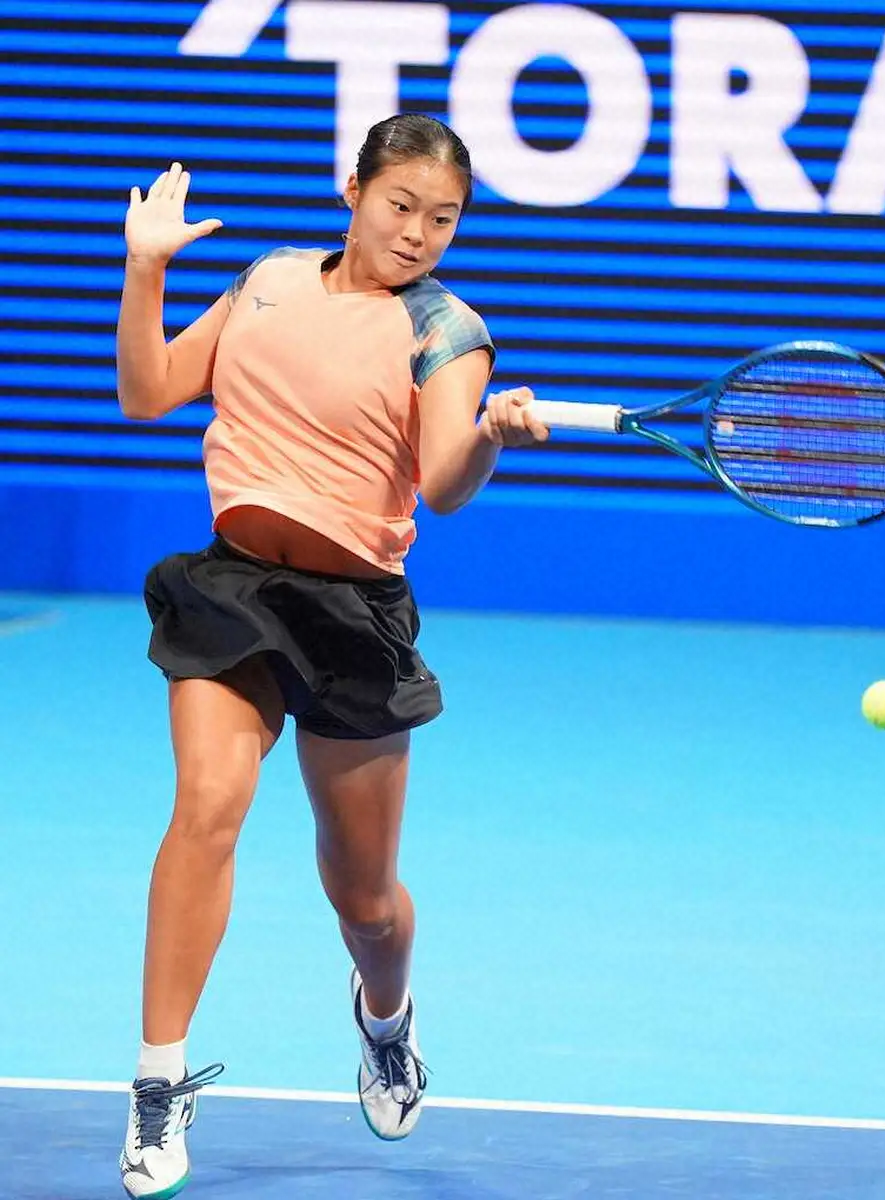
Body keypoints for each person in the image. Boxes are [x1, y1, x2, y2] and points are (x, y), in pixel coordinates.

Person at [115, 113, 549, 1200]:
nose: (415, 234)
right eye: (398, 206)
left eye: (440, 219)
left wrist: (489, 439)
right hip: (231, 593)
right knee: (207, 803)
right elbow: (149, 392)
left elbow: (442, 484)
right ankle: (157, 1089)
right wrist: (144, 270)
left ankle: (386, 1018)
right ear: (351, 189)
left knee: (364, 901)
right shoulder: (265, 281)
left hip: (353, 613)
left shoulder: (447, 330)